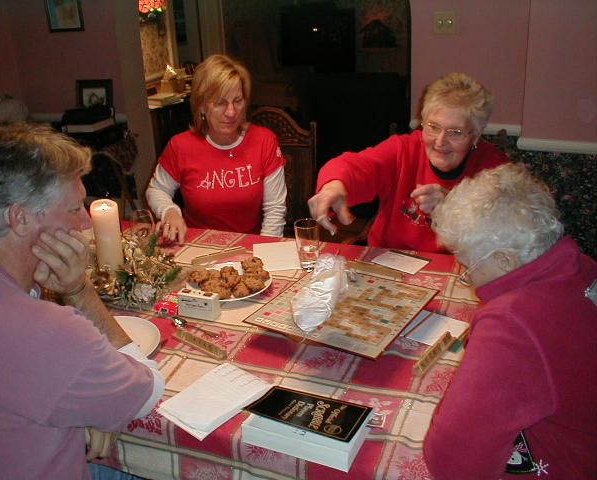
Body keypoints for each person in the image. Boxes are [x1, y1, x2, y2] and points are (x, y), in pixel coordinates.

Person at [0, 123, 165, 480]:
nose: (84, 220)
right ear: (20, 218)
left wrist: (84, 410)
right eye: (72, 209)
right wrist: (79, 290)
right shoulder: (41, 331)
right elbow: (146, 393)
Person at [424, 163, 597, 479]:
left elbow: (453, 461)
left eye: (467, 266)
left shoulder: (512, 322)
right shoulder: (583, 265)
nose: (468, 278)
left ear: (505, 259)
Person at [308, 72, 508, 252]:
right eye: (433, 127)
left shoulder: (493, 166)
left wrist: (455, 205)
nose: (440, 142)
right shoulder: (403, 149)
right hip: (390, 262)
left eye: (456, 132)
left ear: (476, 135)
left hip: (458, 270)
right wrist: (334, 186)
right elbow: (354, 166)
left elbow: (504, 233)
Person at [146, 54, 287, 243]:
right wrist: (169, 211)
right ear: (202, 107)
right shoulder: (180, 146)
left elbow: (275, 211)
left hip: (249, 245)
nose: (231, 112)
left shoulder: (265, 141)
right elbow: (156, 190)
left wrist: (265, 250)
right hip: (197, 245)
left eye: (237, 101)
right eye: (220, 103)